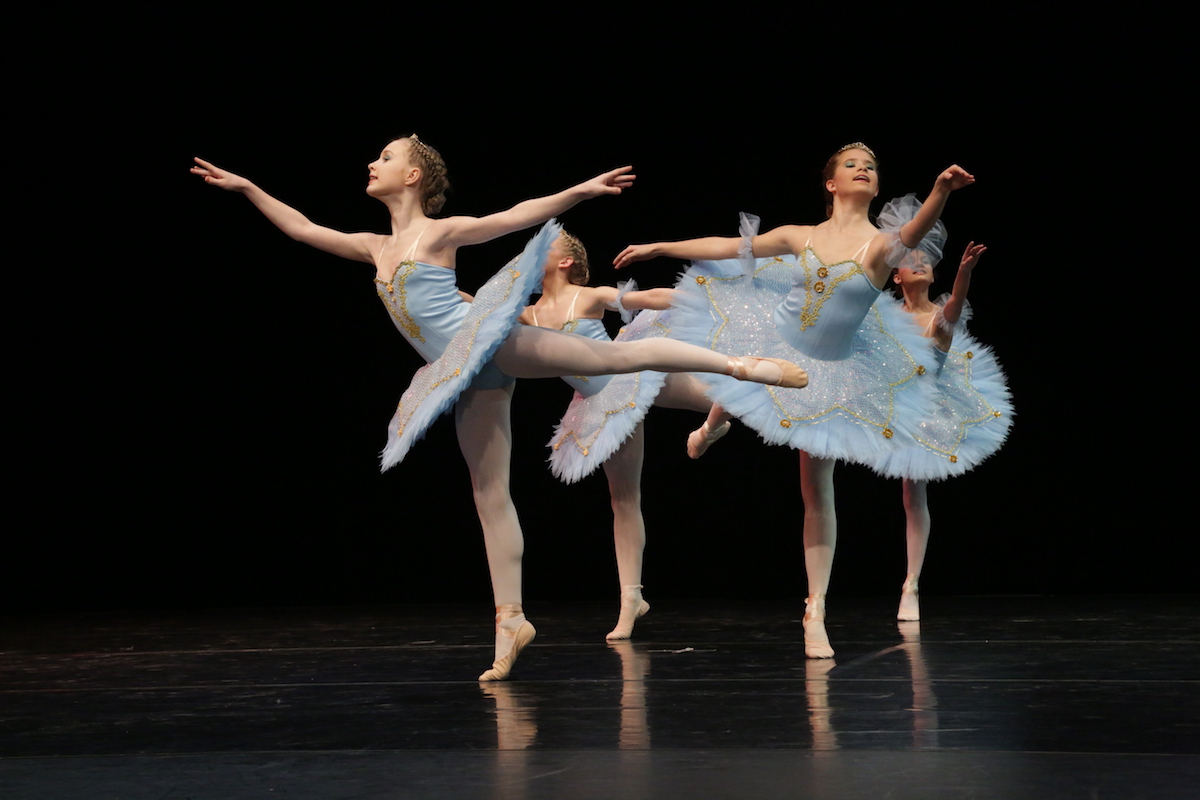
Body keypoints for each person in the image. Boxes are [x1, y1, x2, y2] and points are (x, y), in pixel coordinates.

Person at [191, 135, 807, 680]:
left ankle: (738, 368)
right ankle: (509, 619)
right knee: (489, 494)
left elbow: (511, 218)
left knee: (617, 361)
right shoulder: (373, 245)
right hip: (461, 373)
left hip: (484, 340)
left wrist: (581, 192)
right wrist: (248, 187)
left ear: (412, 177)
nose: (371, 163)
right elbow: (301, 228)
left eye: (385, 157)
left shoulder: (438, 232)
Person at [613, 143, 974, 658]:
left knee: (816, 489)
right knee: (732, 353)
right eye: (852, 164)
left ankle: (815, 609)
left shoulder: (881, 246)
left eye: (871, 166)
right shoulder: (799, 236)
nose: (863, 170)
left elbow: (913, 232)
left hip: (829, 371)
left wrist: (941, 191)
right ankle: (715, 423)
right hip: (774, 336)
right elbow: (728, 246)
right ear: (831, 183)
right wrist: (660, 247)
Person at [520, 231, 718, 640]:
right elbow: (481, 316)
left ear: (565, 262)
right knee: (623, 499)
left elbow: (643, 300)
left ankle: (712, 427)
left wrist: (694, 302)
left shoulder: (586, 296)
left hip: (631, 373)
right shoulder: (529, 315)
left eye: (548, 246)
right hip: (599, 404)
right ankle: (631, 600)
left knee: (724, 393)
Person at [874, 216, 1013, 621]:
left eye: (926, 259)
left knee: (913, 494)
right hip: (889, 400)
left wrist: (964, 274)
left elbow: (953, 307)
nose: (920, 263)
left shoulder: (940, 315)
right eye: (909, 259)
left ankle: (911, 584)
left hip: (932, 407)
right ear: (895, 276)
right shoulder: (883, 313)